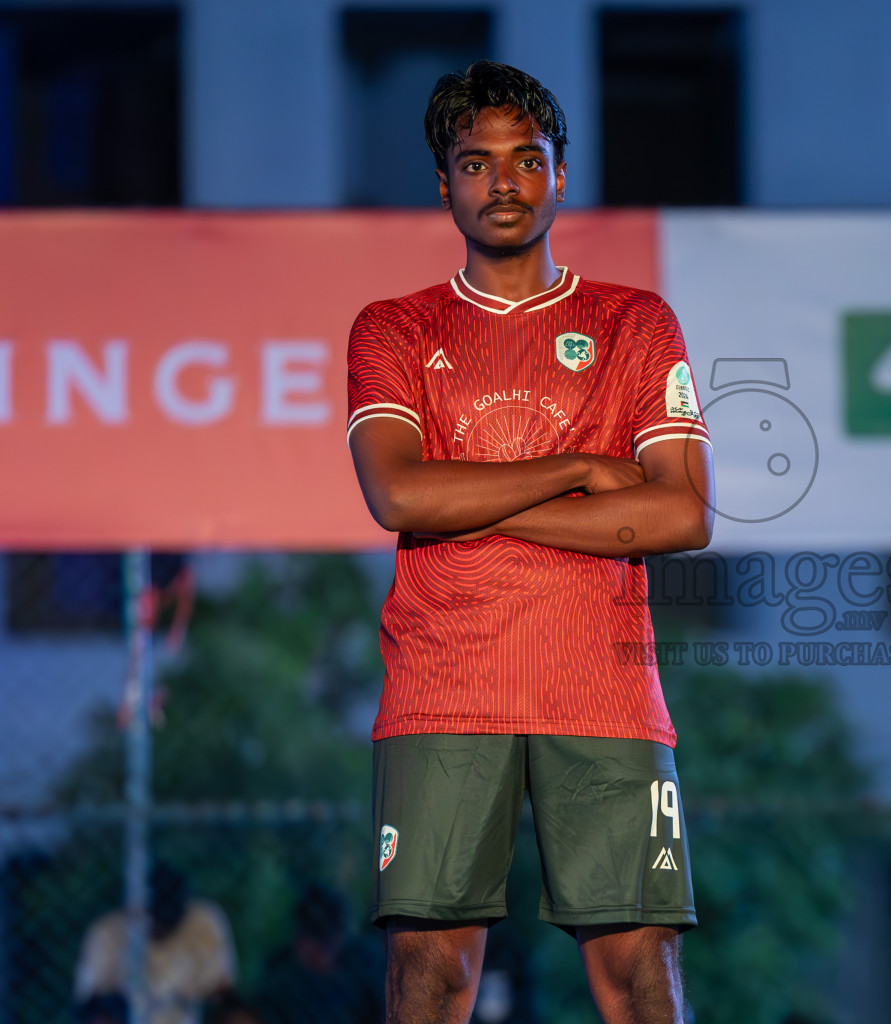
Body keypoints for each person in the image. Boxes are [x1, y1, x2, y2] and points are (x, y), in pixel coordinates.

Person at [345, 61, 713, 1024]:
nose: (501, 182)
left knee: (639, 972)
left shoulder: (636, 322)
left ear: (559, 173)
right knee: (430, 971)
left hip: (604, 687)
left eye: (525, 159)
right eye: (476, 162)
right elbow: (396, 493)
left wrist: (460, 502)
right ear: (444, 184)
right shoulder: (391, 328)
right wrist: (579, 467)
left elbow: (681, 515)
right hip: (442, 686)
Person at [74, 864, 237, 1024]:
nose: (162, 931)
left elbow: (221, 991)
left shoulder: (203, 923)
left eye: (168, 922)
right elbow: (90, 1004)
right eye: (156, 922)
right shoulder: (107, 933)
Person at [253, 883, 383, 1024]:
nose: (318, 949)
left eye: (325, 938)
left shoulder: (364, 966)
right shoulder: (280, 977)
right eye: (309, 936)